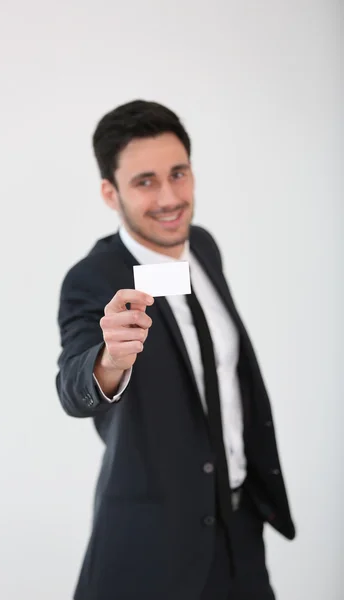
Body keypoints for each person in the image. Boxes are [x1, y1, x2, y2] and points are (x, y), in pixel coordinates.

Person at [55, 100, 295, 600]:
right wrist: (110, 362)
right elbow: (74, 387)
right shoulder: (93, 279)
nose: (169, 197)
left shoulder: (204, 247)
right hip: (154, 554)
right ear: (110, 192)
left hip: (239, 533)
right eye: (145, 181)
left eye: (179, 174)